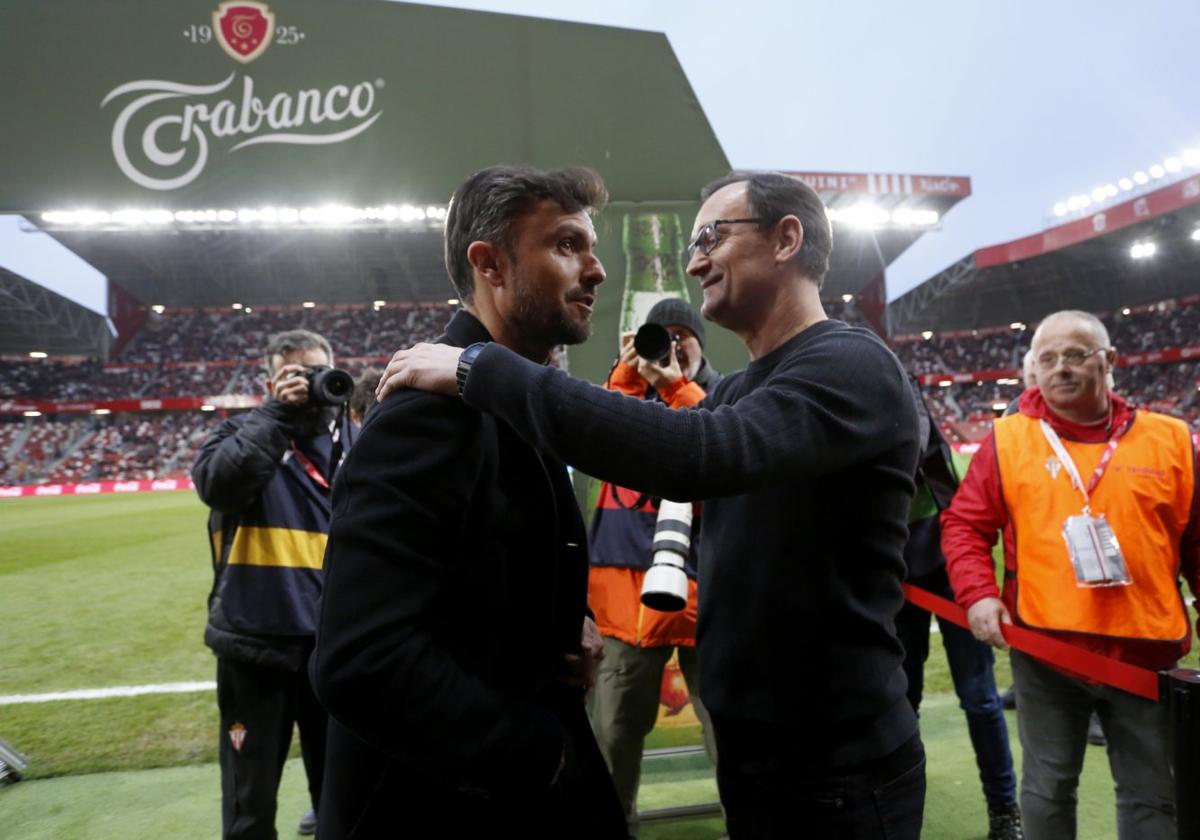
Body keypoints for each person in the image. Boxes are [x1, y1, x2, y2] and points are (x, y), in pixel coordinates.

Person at [378, 170, 926, 838]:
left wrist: (478, 367)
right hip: (767, 762)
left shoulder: (851, 365)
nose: (695, 260)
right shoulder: (741, 390)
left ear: (787, 240)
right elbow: (662, 443)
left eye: (711, 236)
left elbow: (696, 452)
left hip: (839, 771)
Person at [310, 165, 626, 839]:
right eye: (567, 244)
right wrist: (540, 753)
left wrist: (559, 629)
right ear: (490, 265)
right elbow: (362, 661)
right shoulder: (427, 413)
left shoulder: (512, 395)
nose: (596, 269)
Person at [941, 309, 1200, 840]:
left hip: (1144, 654)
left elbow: (1197, 542)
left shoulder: (1171, 440)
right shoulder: (1008, 439)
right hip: (1047, 653)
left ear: (1108, 362)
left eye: (1075, 355)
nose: (1060, 368)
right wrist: (978, 594)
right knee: (1047, 790)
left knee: (1152, 797)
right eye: (1048, 358)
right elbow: (965, 525)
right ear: (1034, 367)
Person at [193, 329, 354, 839]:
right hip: (254, 648)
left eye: (316, 371)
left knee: (342, 801)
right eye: (294, 374)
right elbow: (219, 483)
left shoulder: (354, 442)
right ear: (270, 382)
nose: (308, 383)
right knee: (249, 804)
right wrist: (276, 417)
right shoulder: (240, 432)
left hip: (331, 650)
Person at [587, 297, 720, 838]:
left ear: (699, 344)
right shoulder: (622, 397)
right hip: (625, 602)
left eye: (680, 335)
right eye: (658, 336)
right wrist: (627, 372)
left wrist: (674, 387)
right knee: (614, 736)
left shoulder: (722, 394)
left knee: (731, 735)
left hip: (709, 599)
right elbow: (592, 436)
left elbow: (720, 451)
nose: (669, 346)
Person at [896, 381, 1022, 840]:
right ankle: (901, 807)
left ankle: (1004, 808)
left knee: (980, 699)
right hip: (900, 581)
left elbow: (918, 449)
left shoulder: (917, 427)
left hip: (952, 574)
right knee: (902, 703)